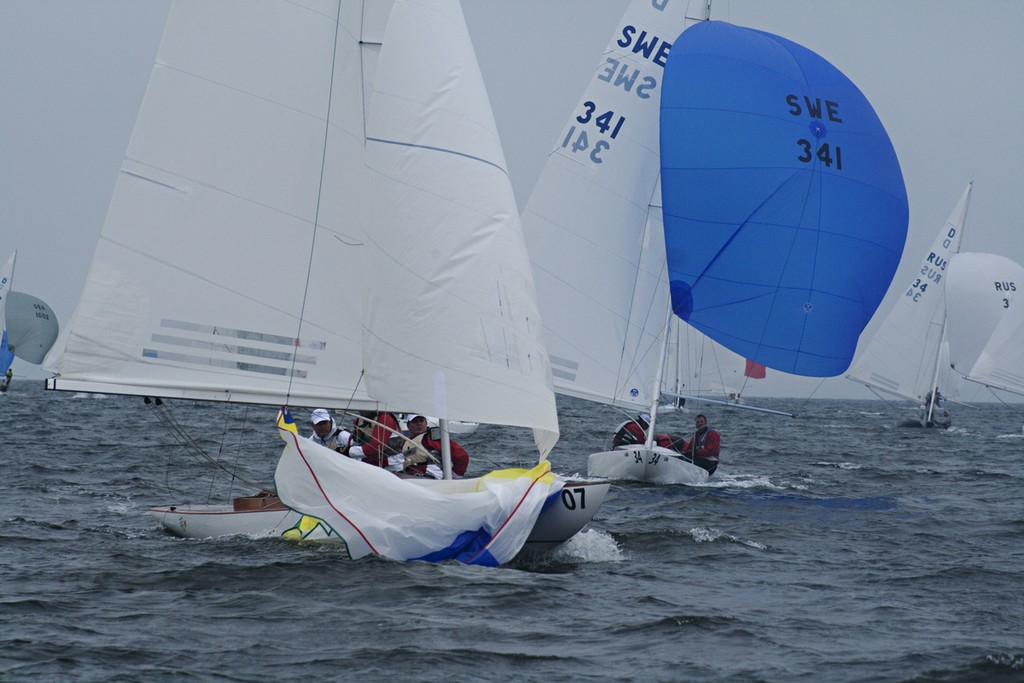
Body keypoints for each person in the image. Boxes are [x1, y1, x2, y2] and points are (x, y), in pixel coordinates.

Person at [402, 414, 470, 478]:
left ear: (426, 423)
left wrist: (455, 475)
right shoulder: (406, 441)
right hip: (411, 475)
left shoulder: (431, 439)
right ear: (408, 425)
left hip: (431, 477)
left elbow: (462, 455)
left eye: (421, 421)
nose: (419, 423)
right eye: (415, 421)